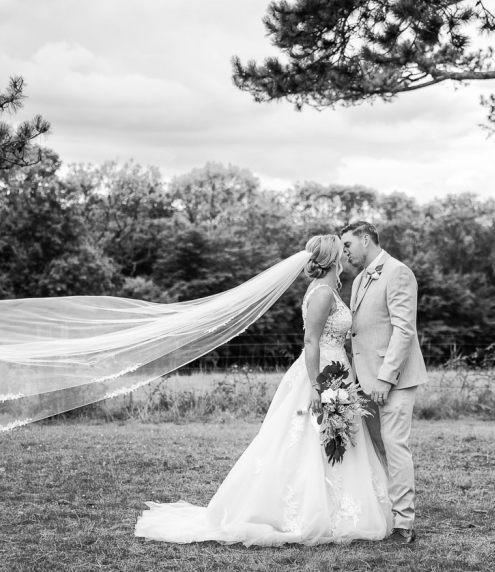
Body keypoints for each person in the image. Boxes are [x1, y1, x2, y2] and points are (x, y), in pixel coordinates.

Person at [134, 235, 393, 546]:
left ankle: (334, 505)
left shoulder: (327, 290)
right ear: (333, 258)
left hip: (338, 371)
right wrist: (316, 386)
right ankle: (310, 511)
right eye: (342, 252)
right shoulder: (323, 293)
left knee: (331, 438)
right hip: (322, 373)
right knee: (312, 439)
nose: (346, 256)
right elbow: (311, 342)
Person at [339, 221, 428, 545]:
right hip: (364, 379)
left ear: (366, 239)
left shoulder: (398, 272)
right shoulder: (360, 278)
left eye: (348, 245)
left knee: (394, 445)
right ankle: (388, 516)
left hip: (395, 379)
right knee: (378, 448)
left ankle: (405, 525)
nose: (345, 252)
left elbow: (404, 330)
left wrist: (384, 378)